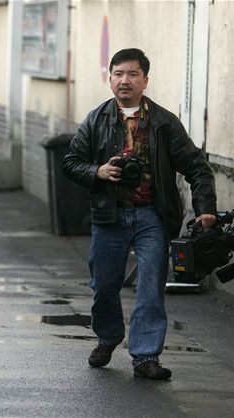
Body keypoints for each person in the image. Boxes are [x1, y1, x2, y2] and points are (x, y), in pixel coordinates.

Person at [62, 48, 216, 380]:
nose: (124, 81)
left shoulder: (163, 123)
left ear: (145, 79)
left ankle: (145, 356)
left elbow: (197, 169)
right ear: (110, 78)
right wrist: (98, 171)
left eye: (132, 74)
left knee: (150, 287)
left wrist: (205, 211)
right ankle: (108, 336)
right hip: (109, 215)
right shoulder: (95, 119)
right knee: (103, 285)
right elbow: (70, 164)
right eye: (118, 74)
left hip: (152, 216)